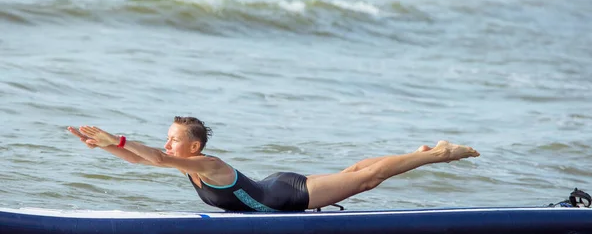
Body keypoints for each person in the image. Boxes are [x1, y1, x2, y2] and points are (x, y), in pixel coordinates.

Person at [67, 116, 479, 212]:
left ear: (193, 146)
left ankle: (441, 154)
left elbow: (153, 156)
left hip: (287, 194)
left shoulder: (208, 164)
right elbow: (145, 160)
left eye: (175, 138)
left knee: (367, 178)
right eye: (169, 136)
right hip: (275, 187)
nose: (167, 143)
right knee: (356, 172)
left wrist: (116, 139)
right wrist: (102, 145)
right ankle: (424, 151)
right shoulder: (186, 164)